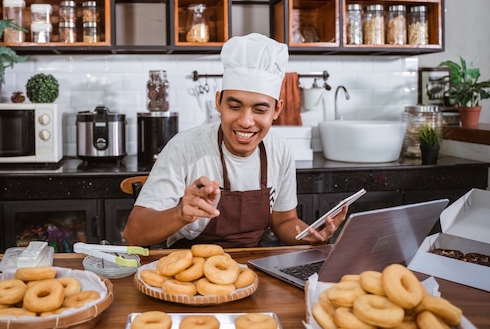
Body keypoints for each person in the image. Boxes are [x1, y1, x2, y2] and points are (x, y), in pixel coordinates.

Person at [123, 33, 346, 248]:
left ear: (277, 110)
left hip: (252, 267)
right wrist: (180, 213)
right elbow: (134, 233)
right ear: (218, 102)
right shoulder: (184, 148)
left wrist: (309, 235)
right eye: (234, 106)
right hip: (188, 266)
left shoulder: (279, 149)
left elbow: (284, 221)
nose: (245, 121)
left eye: (260, 109)